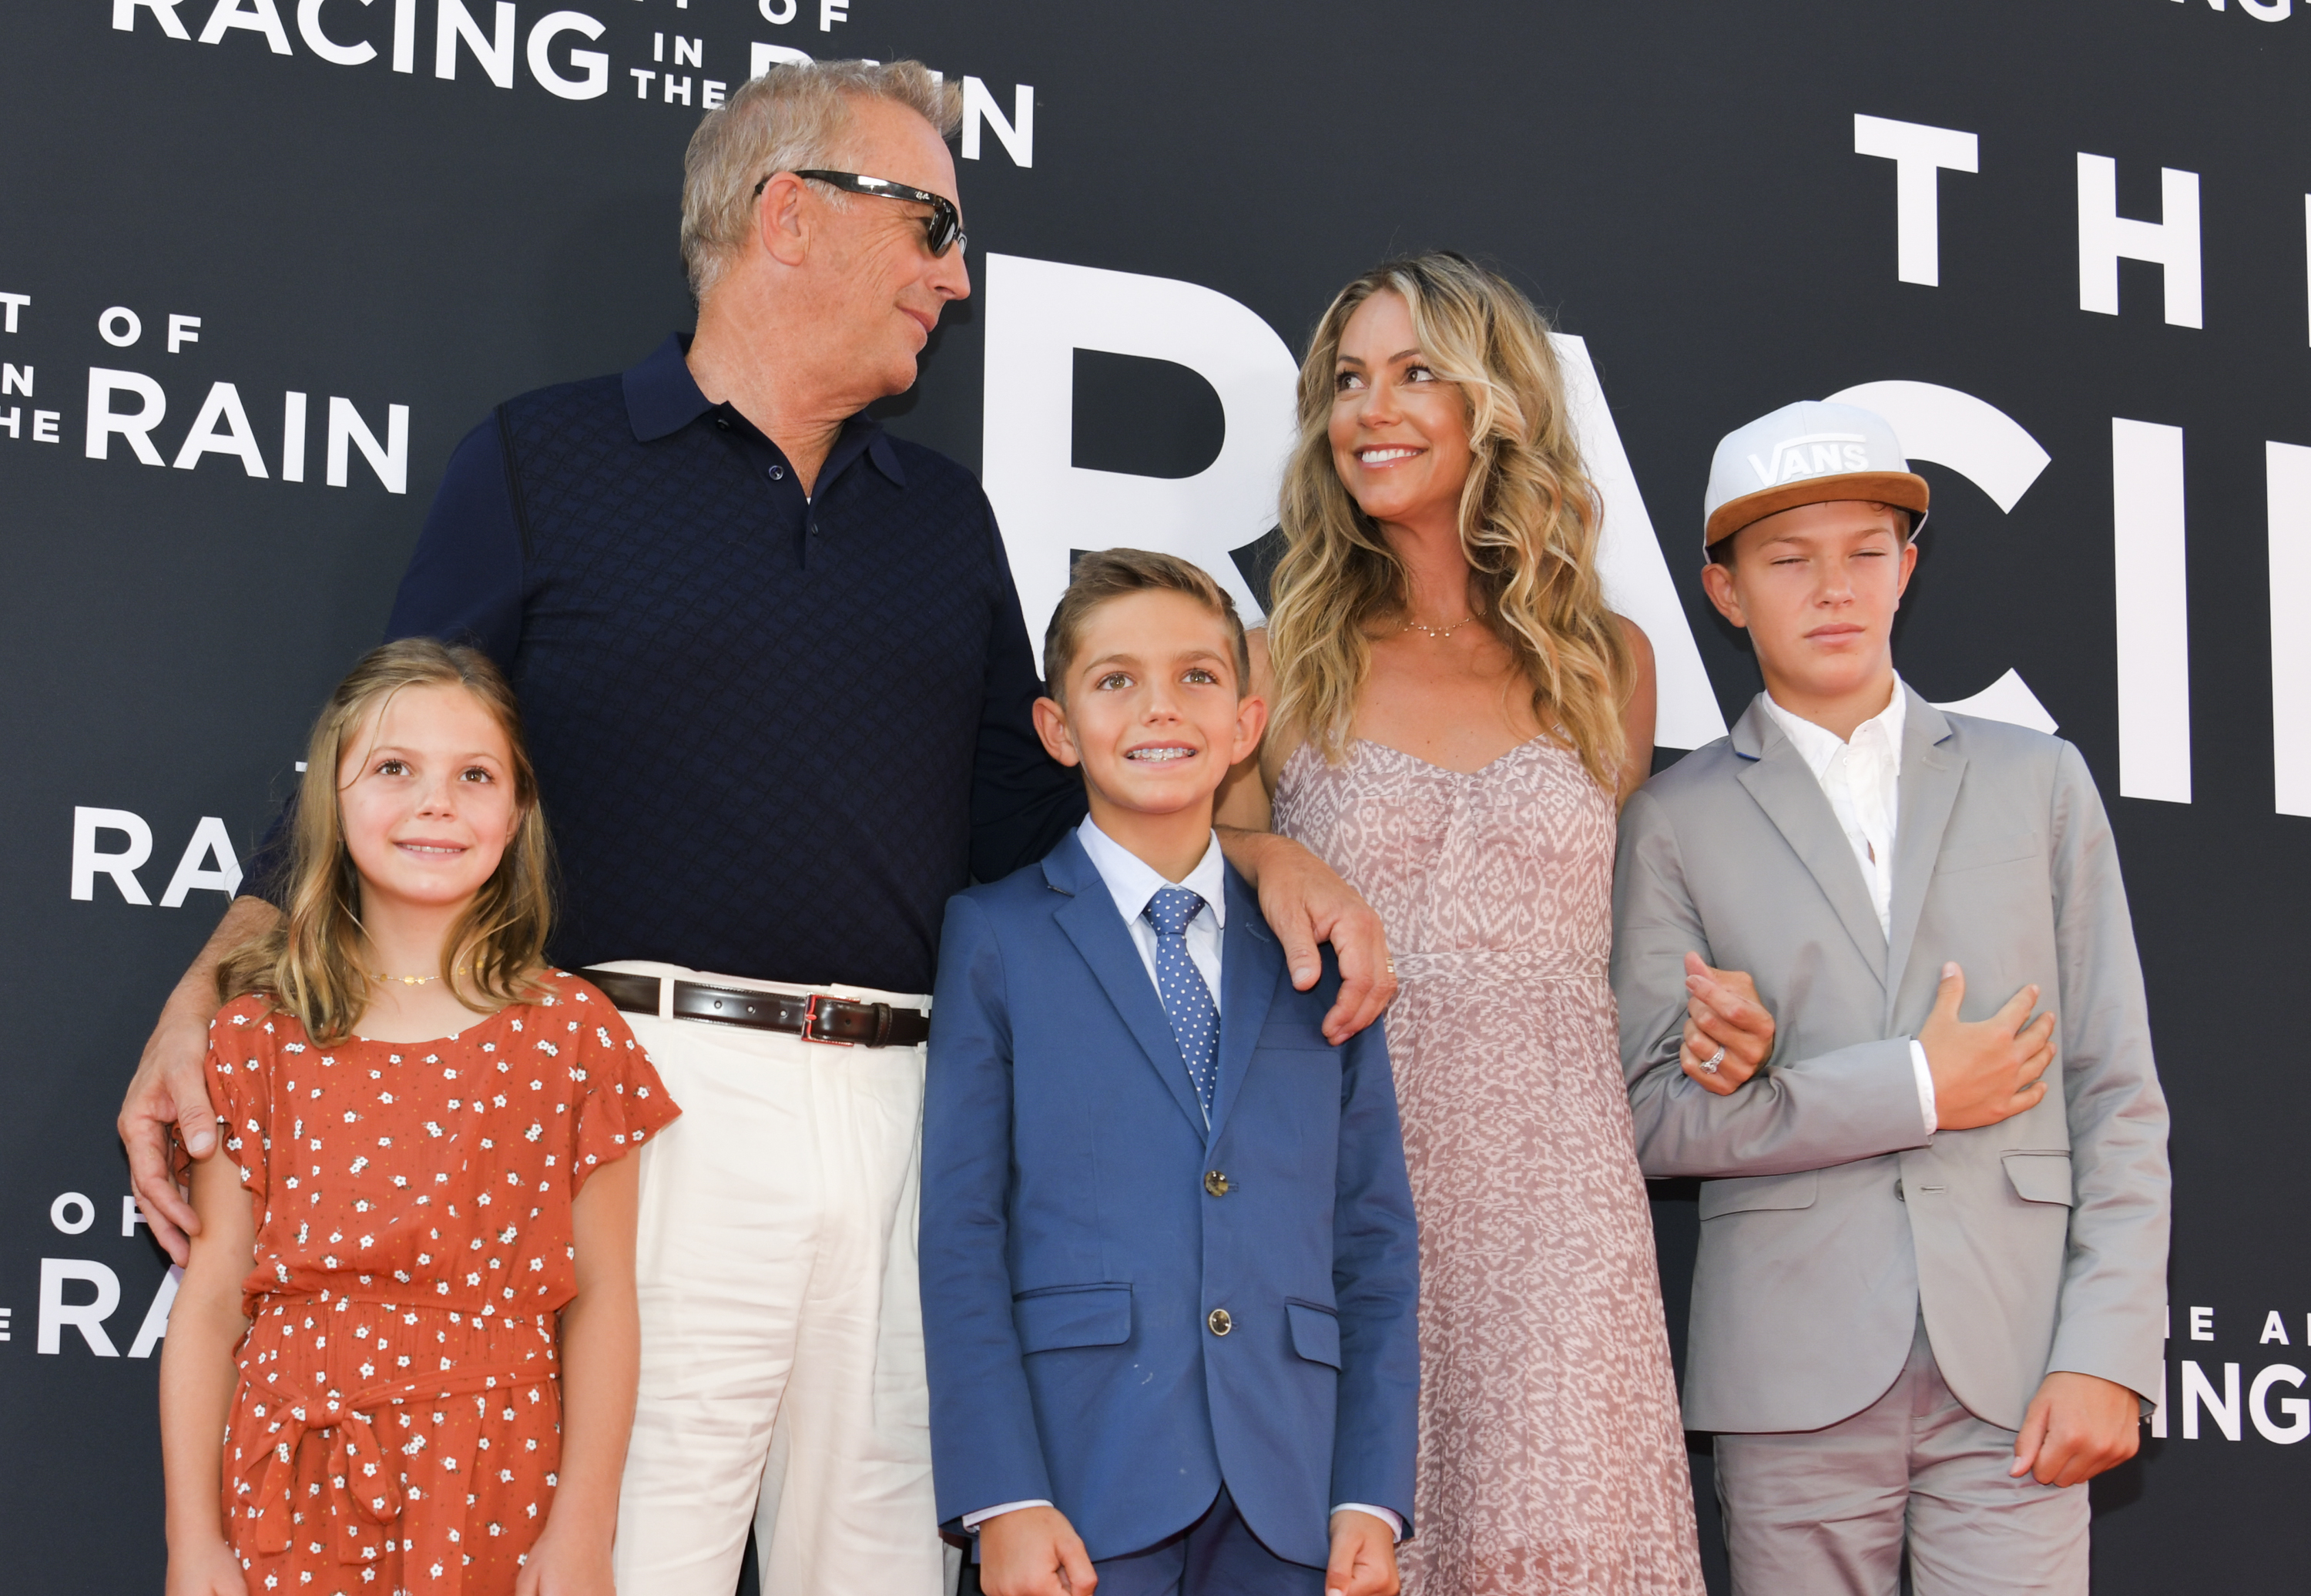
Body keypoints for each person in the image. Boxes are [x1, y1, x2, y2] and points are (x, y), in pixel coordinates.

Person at [119, 60, 1391, 1596]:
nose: (956, 273)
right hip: (642, 1102)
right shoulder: (545, 460)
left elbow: (1045, 810)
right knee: (626, 1555)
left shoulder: (942, 516)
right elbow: (382, 754)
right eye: (929, 224)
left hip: (914, 1113)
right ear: (791, 215)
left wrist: (1250, 846)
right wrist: (220, 972)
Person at [1611, 399, 2172, 1594]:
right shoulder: (1671, 822)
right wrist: (1913, 1087)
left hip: (2018, 1366)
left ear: (1908, 569)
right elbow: (1651, 1121)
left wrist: (2112, 1350)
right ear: (1724, 591)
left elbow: (2117, 1090)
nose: (1834, 588)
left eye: (1866, 552)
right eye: (1787, 558)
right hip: (1790, 1377)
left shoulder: (2041, 784)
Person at [1217, 253, 1707, 1594]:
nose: (1372, 407)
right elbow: (1209, 868)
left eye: (1416, 371)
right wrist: (1262, 848)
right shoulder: (1277, 657)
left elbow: (1614, 939)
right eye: (1348, 381)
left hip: (1560, 1194)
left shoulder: (1608, 661)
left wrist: (1714, 1013)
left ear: (1500, 403)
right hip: (1346, 1165)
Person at [921, 550, 1420, 1596]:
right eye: (1115, 681)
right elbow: (962, 1235)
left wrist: (1369, 1491)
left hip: (1289, 1494)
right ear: (1058, 729)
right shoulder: (995, 936)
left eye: (1197, 677)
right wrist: (1003, 1497)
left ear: (1246, 723)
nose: (1161, 709)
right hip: (1081, 1482)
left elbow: (1373, 1237)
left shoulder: (1318, 952)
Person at [157, 639, 678, 1596]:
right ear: (333, 800)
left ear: (516, 812)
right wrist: (194, 1542)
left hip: (496, 1480)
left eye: (474, 774)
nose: (436, 801)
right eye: (395, 768)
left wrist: (583, 1531)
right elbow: (213, 1296)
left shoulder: (574, 1035)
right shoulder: (254, 1038)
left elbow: (604, 1298)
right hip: (290, 1474)